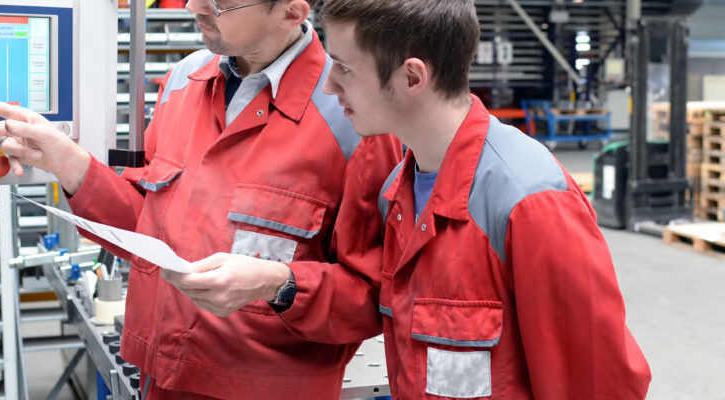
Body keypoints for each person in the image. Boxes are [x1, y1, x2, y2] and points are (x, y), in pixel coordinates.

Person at [164, 0, 653, 398]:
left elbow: (601, 385)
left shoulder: (528, 202)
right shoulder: (399, 192)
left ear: (412, 78)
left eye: (344, 71)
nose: (329, 88)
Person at [0, 0, 401, 398]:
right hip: (160, 379)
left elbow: (372, 296)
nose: (195, 7)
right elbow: (147, 230)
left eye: (219, 3)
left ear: (291, 13)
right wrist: (70, 164)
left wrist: (279, 284)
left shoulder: (350, 117)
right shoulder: (183, 80)